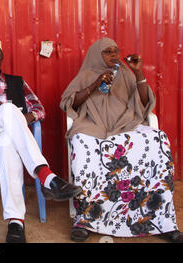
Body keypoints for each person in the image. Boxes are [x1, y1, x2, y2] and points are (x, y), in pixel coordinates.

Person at [0, 35, 82, 243]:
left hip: (9, 135)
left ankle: (15, 222)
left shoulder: (17, 82)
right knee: (9, 109)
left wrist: (22, 117)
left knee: (7, 143)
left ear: (2, 57)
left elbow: (39, 109)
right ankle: (45, 175)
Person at [60, 37, 182, 242]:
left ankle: (161, 220)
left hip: (126, 125)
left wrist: (138, 72)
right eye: (107, 52)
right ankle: (86, 220)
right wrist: (96, 84)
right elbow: (68, 103)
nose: (114, 55)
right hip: (93, 127)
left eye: (116, 51)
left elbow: (144, 103)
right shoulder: (86, 75)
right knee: (83, 148)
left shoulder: (126, 73)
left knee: (158, 140)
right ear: (97, 55)